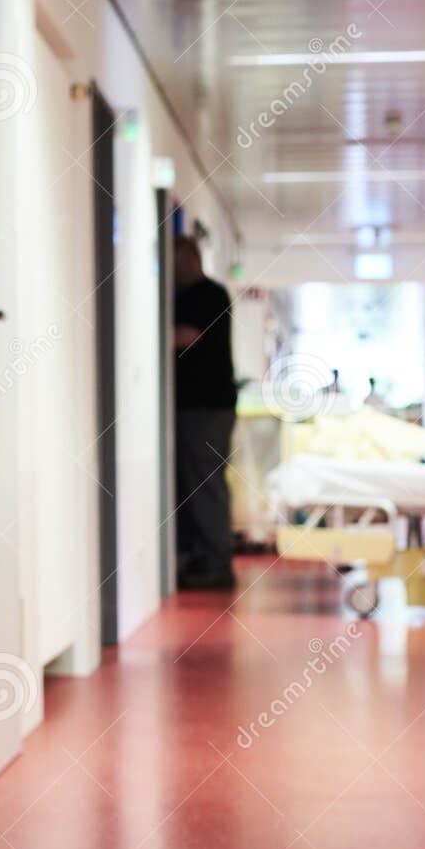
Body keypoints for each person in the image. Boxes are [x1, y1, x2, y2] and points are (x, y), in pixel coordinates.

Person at [172, 236, 238, 590]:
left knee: (205, 484)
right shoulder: (187, 297)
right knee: (193, 484)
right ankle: (202, 557)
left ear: (188, 259)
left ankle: (216, 563)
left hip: (207, 409)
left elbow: (186, 337)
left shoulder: (209, 296)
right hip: (196, 408)